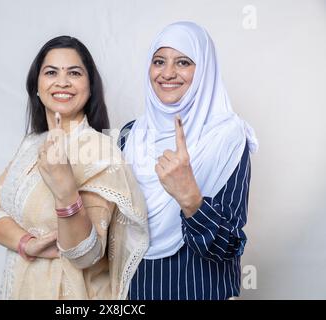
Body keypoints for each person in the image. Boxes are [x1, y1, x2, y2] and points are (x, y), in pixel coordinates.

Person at [0, 36, 148, 299]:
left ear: (90, 87)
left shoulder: (101, 151)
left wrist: (65, 187)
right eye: (51, 72)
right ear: (36, 85)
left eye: (74, 73)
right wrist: (27, 244)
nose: (62, 82)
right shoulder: (32, 144)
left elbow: (86, 254)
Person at [119, 21, 258, 300]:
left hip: (201, 290)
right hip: (136, 292)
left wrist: (190, 198)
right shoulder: (130, 136)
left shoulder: (226, 137)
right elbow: (115, 232)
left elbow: (228, 246)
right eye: (159, 61)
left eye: (183, 62)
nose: (167, 73)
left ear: (204, 70)